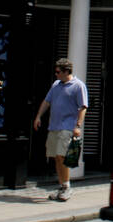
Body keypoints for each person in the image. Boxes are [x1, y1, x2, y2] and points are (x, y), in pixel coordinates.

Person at [33, 58, 89, 201]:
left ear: (66, 71)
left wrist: (78, 126)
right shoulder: (56, 85)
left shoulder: (78, 86)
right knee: (56, 158)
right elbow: (47, 101)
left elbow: (83, 107)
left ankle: (67, 187)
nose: (56, 74)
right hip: (54, 126)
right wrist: (38, 116)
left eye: (58, 72)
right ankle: (62, 186)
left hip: (67, 127)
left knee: (62, 157)